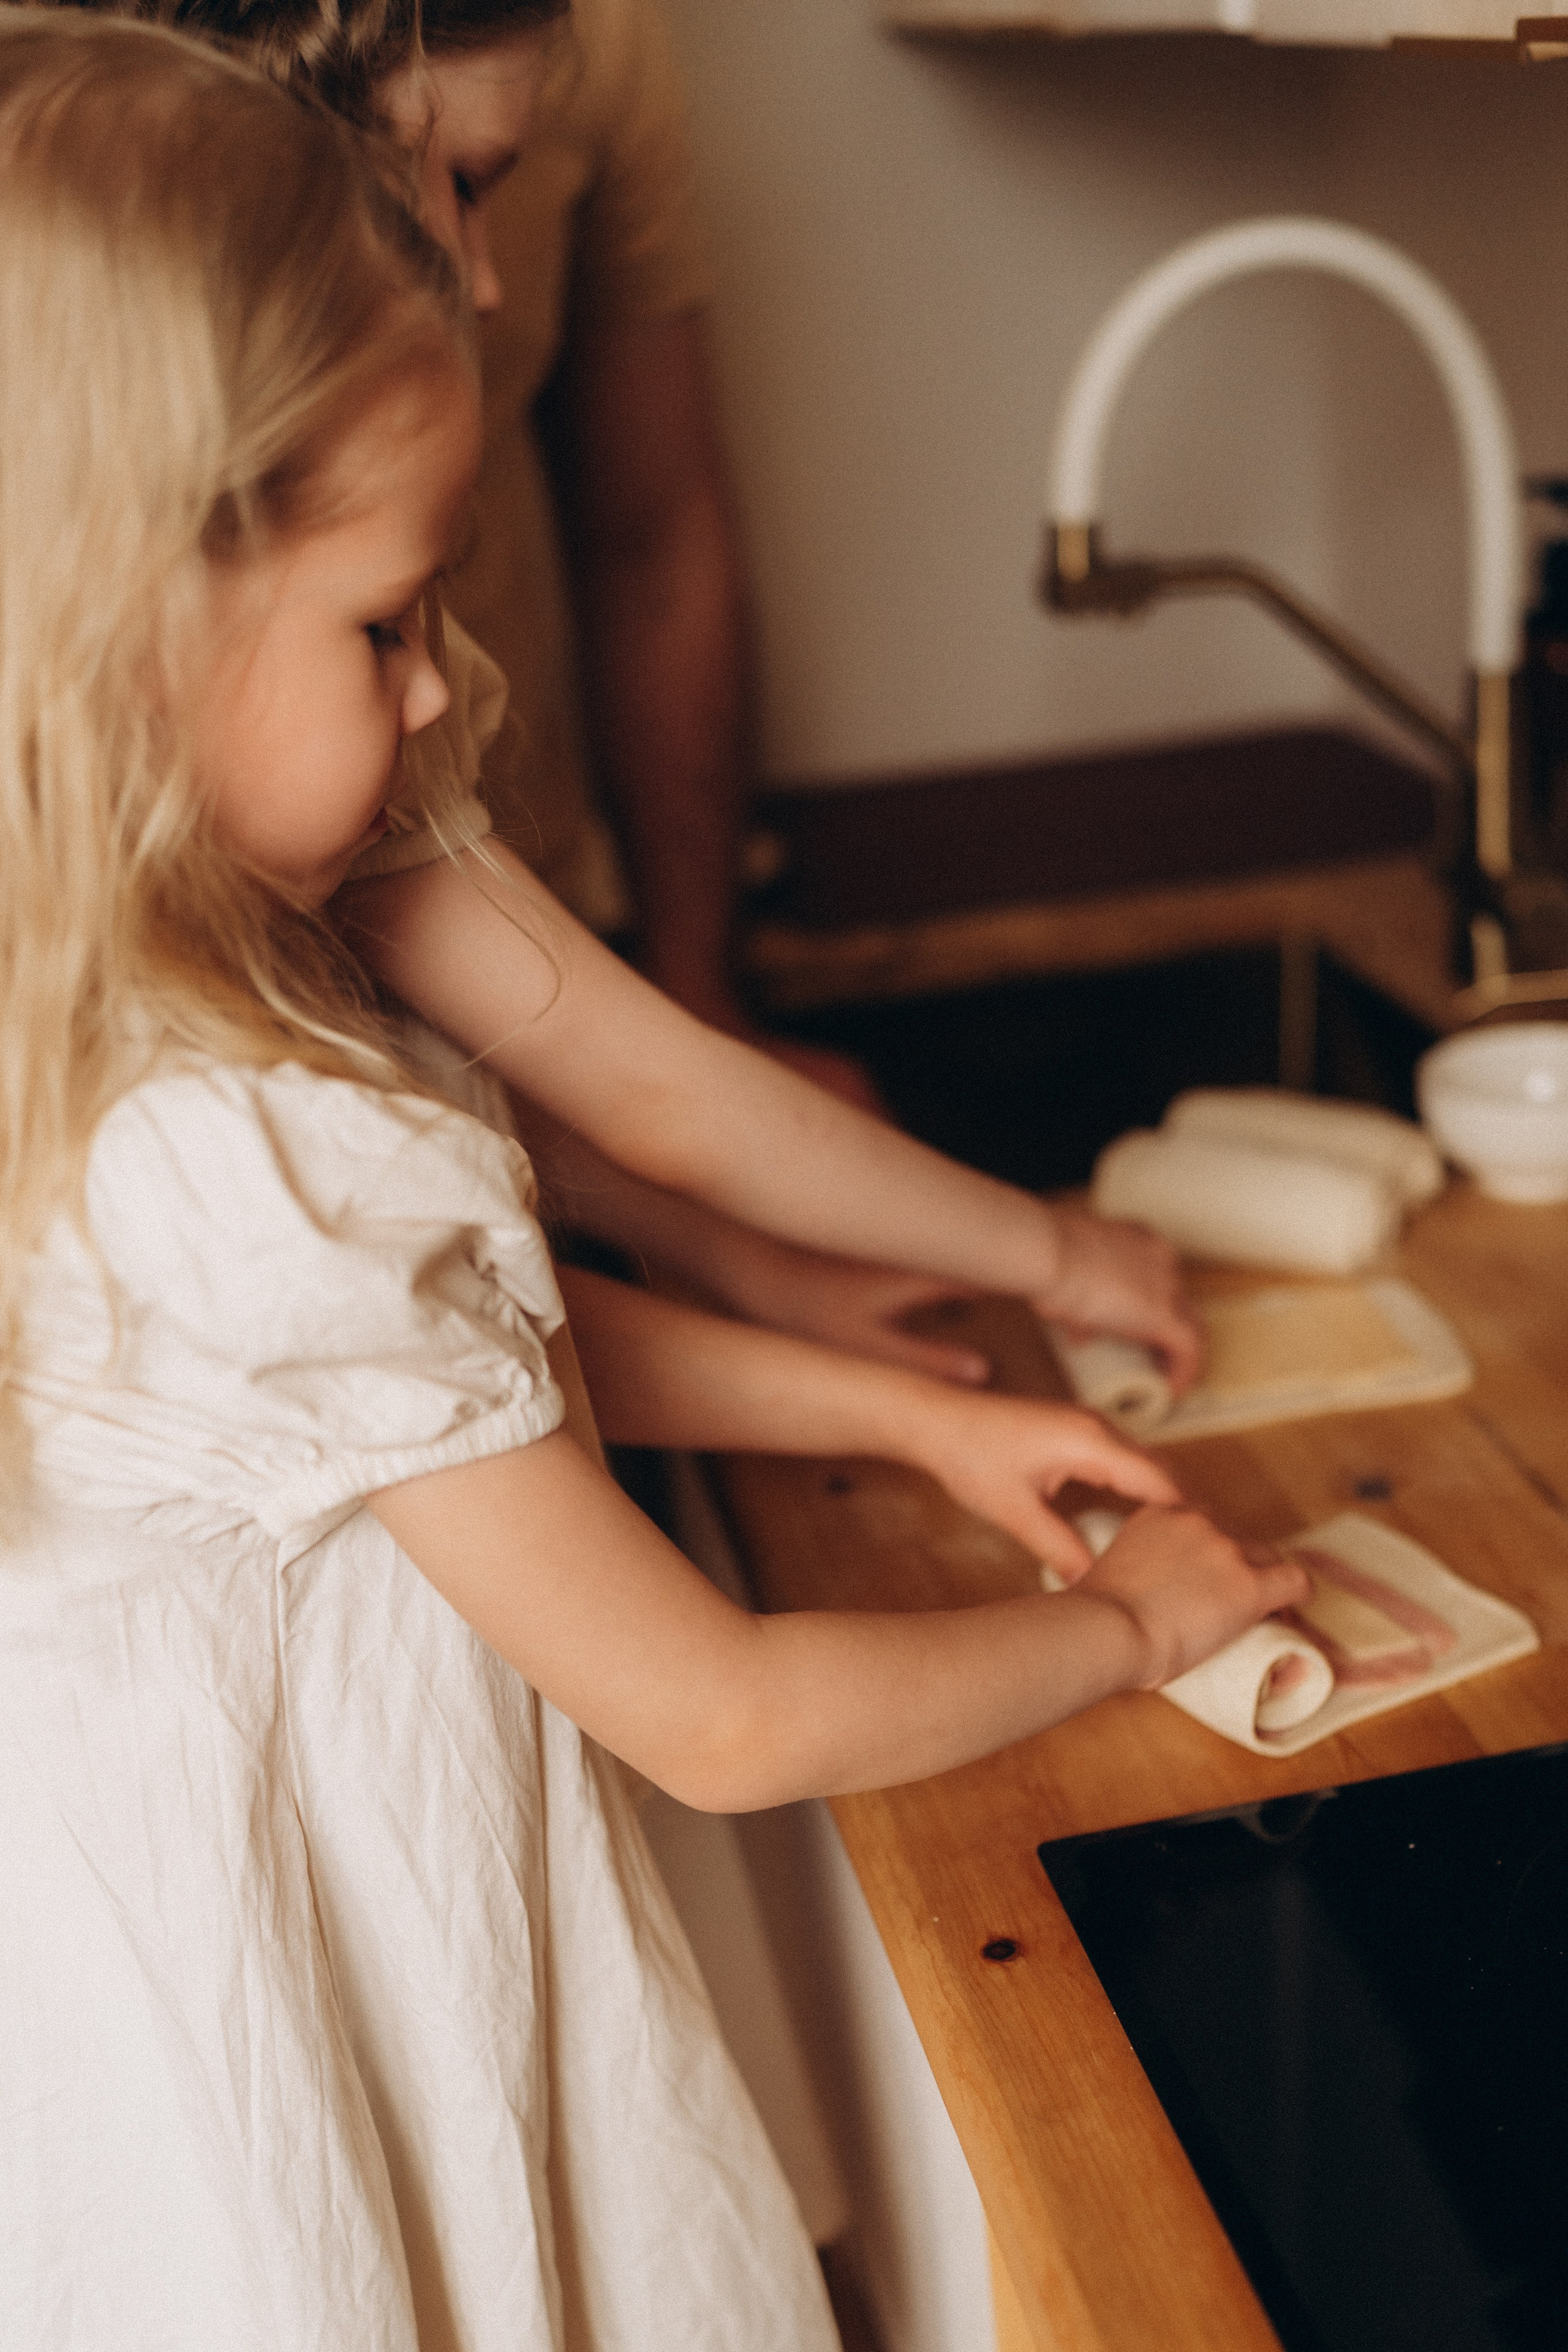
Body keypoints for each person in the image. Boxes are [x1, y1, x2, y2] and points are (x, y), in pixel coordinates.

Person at [0, 18, 1310, 2346]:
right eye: (385, 624)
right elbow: (711, 1713)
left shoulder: (115, 1016)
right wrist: (1140, 1631)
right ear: (124, 630)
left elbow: (428, 1404)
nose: (428, 695)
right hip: (318, 2072)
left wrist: (902, 1412)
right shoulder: (242, 1137)